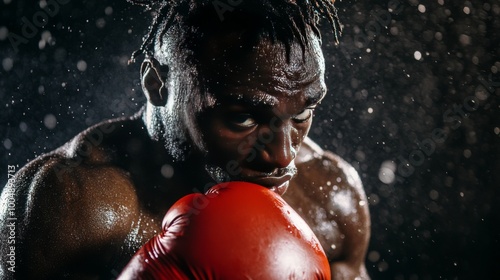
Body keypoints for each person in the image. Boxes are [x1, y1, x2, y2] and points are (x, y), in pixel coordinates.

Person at [0, 0, 371, 279]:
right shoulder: (62, 205)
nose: (282, 155)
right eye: (242, 118)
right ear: (156, 84)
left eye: (303, 113)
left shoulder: (330, 198)